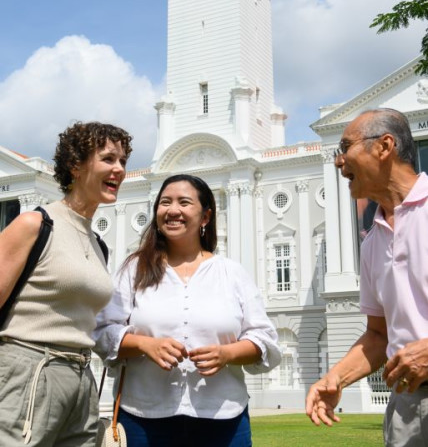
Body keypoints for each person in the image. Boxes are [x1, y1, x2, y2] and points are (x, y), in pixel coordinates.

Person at [94, 174, 281, 447]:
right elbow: (102, 332)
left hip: (222, 417)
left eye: (184, 202)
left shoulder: (231, 273)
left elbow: (265, 341)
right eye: (165, 202)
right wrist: (145, 345)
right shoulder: (134, 269)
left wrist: (227, 353)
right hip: (143, 417)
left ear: (205, 217)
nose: (172, 210)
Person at [0, 121, 132, 446]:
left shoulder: (98, 244)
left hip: (82, 377)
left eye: (123, 161)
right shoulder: (34, 224)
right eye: (108, 159)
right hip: (29, 369)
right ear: (75, 165)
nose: (119, 170)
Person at [305, 108, 428, 446]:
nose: (338, 161)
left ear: (384, 146)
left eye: (345, 147)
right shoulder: (372, 240)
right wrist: (335, 378)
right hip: (406, 403)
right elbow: (378, 335)